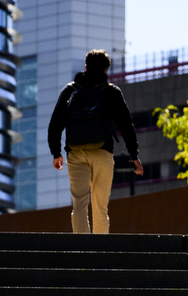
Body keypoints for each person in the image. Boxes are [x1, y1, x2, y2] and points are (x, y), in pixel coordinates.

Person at [46, 49, 143, 234]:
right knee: (100, 207)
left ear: (86, 67)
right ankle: (100, 251)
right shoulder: (111, 91)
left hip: (76, 153)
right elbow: (126, 124)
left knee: (79, 205)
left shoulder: (70, 90)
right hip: (102, 151)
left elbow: (55, 123)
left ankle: (83, 251)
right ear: (106, 69)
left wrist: (56, 153)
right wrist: (134, 155)